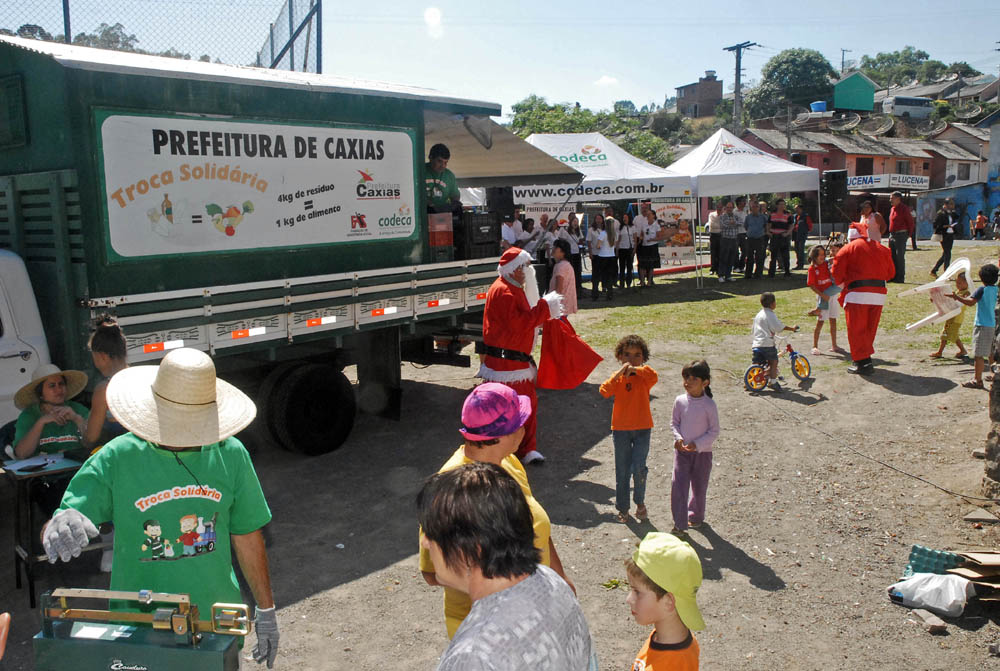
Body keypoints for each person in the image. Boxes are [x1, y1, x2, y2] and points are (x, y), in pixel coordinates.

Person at [40, 348, 279, 668]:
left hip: (213, 623)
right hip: (138, 627)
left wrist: (266, 610)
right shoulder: (116, 457)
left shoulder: (230, 453)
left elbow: (247, 534)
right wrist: (59, 523)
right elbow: (66, 517)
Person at [418, 385, 576, 639]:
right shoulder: (452, 489)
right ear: (503, 434)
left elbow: (538, 530)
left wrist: (561, 578)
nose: (525, 427)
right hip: (486, 630)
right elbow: (431, 572)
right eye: (520, 422)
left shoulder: (508, 462)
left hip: (535, 611)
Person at [419, 462, 592, 670]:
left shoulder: (472, 657)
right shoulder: (550, 580)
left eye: (432, 533)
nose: (425, 542)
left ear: (471, 549)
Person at [478, 247, 562, 465]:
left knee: (518, 406)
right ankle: (517, 450)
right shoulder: (505, 292)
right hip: (508, 365)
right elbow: (519, 324)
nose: (527, 270)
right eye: (524, 266)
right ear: (514, 269)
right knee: (520, 406)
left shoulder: (509, 288)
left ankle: (521, 449)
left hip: (510, 363)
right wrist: (545, 308)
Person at [13, 364, 90, 516]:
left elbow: (93, 443)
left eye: (61, 384)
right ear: (41, 394)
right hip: (47, 481)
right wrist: (41, 422)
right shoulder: (29, 416)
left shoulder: (78, 410)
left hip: (80, 475)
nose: (58, 389)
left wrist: (77, 419)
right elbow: (21, 454)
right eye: (52, 386)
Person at [624, 532, 704, 671]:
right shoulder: (666, 637)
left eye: (637, 592)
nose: (629, 599)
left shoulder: (669, 664)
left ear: (668, 602)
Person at [599, 335, 657, 523]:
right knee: (622, 470)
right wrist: (618, 374)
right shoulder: (617, 379)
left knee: (639, 468)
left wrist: (636, 370)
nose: (631, 360)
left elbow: (653, 376)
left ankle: (639, 501)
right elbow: (604, 391)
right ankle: (623, 508)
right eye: (627, 355)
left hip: (643, 428)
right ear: (620, 357)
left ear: (643, 358)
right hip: (621, 430)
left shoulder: (644, 377)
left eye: (637, 355)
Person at [831, 222, 895, 375]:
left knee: (856, 330)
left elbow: (836, 273)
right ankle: (865, 359)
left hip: (857, 295)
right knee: (869, 329)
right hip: (879, 294)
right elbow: (891, 273)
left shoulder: (847, 249)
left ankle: (862, 362)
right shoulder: (882, 248)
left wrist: (843, 285)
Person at [670, 360, 719, 535]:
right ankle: (679, 524)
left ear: (705, 382)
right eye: (686, 377)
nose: (688, 382)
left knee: (699, 488)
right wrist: (678, 438)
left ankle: (696, 516)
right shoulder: (680, 401)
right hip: (682, 453)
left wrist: (697, 444)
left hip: (703, 454)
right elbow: (674, 423)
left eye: (693, 379)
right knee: (678, 487)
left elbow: (714, 431)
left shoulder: (709, 405)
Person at [948, 263, 999, 389]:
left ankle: (977, 380)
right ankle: (994, 375)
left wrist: (956, 297)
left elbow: (970, 302)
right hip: (992, 324)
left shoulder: (981, 290)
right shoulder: (995, 289)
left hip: (982, 325)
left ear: (982, 277)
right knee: (990, 352)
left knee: (978, 355)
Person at [83, 314, 129, 449]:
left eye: (94, 357)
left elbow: (91, 438)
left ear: (102, 356)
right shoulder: (142, 378)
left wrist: (78, 420)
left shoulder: (104, 390)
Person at [751, 292, 799, 390]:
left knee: (757, 363)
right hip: (767, 344)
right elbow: (778, 327)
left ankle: (750, 381)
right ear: (772, 304)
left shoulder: (759, 314)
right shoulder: (770, 314)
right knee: (774, 362)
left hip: (757, 343)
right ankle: (773, 382)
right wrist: (792, 328)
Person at [806, 246, 847, 356]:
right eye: (820, 255)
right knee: (820, 322)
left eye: (824, 254)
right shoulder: (812, 269)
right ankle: (814, 346)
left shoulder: (826, 263)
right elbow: (811, 285)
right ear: (814, 256)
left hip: (832, 296)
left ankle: (834, 345)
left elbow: (835, 259)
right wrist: (822, 295)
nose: (823, 257)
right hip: (823, 297)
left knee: (833, 320)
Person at [930, 271, 969, 360]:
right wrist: (936, 299)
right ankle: (962, 350)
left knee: (946, 334)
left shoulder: (966, 293)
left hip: (956, 318)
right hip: (951, 316)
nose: (957, 285)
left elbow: (961, 301)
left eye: (960, 283)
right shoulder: (958, 292)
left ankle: (940, 352)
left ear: (967, 283)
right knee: (952, 335)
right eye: (956, 282)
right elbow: (948, 301)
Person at [425, 143, 461, 214]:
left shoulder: (449, 176)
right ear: (430, 157)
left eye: (445, 162)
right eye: (439, 161)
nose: (443, 166)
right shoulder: (419, 171)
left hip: (443, 215)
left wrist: (454, 204)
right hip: (422, 213)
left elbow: (455, 196)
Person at [588, 213, 616, 300]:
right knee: (609, 276)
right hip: (611, 256)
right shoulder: (614, 234)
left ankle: (595, 294)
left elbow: (598, 246)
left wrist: (599, 246)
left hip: (602, 256)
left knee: (597, 275)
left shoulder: (603, 234)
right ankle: (610, 293)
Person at [888, 192, 915, 283]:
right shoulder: (892, 209)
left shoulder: (904, 209)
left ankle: (900, 277)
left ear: (898, 199)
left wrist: (908, 235)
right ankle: (892, 276)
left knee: (899, 256)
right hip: (892, 235)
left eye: (892, 198)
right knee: (892, 256)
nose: (890, 200)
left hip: (901, 235)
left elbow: (910, 222)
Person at [549, 239, 577, 319]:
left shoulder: (561, 266)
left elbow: (559, 289)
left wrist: (551, 303)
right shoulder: (564, 265)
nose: (553, 248)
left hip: (560, 307)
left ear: (563, 252)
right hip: (563, 305)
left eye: (556, 247)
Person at [931, 199, 958, 277]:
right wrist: (945, 226)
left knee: (945, 254)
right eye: (951, 204)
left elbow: (956, 217)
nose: (952, 206)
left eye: (953, 204)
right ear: (946, 205)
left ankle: (934, 270)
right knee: (947, 253)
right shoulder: (940, 213)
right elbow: (935, 225)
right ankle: (947, 273)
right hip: (944, 234)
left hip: (950, 234)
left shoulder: (951, 213)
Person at [636, 209, 663, 287]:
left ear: (653, 215)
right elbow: (642, 234)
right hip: (644, 246)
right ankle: (642, 282)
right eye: (647, 214)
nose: (647, 216)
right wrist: (641, 238)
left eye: (649, 214)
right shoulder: (644, 224)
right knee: (642, 265)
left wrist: (652, 239)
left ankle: (649, 282)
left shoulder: (656, 225)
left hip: (652, 247)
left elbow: (659, 237)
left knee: (651, 265)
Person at [767, 199, 792, 277]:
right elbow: (768, 224)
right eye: (780, 204)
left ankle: (787, 272)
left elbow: (791, 225)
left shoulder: (788, 214)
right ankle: (771, 272)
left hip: (783, 236)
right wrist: (768, 232)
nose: (782, 206)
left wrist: (787, 233)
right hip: (774, 236)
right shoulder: (772, 214)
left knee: (785, 255)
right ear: (777, 205)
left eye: (783, 204)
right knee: (773, 255)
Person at [744, 201, 768, 279]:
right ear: (751, 208)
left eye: (756, 207)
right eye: (753, 207)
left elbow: (766, 226)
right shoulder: (748, 217)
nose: (755, 208)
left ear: (759, 208)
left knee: (759, 257)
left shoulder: (763, 217)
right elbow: (746, 226)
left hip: (760, 238)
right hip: (750, 239)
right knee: (749, 257)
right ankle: (748, 274)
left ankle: (758, 274)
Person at [717, 201, 740, 282]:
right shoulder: (722, 216)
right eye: (728, 207)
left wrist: (732, 223)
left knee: (731, 258)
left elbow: (740, 223)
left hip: (734, 239)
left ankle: (728, 275)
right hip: (725, 239)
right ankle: (721, 275)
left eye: (731, 207)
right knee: (723, 258)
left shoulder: (736, 216)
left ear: (733, 208)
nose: (729, 209)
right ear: (725, 208)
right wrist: (732, 223)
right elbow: (722, 226)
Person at [617, 212, 636, 289]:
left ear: (629, 218)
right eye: (623, 217)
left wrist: (634, 249)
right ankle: (622, 283)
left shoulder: (632, 227)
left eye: (626, 217)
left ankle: (628, 283)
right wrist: (617, 249)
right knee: (622, 267)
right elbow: (618, 239)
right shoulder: (620, 228)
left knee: (629, 267)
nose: (624, 219)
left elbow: (635, 239)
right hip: (622, 249)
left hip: (630, 249)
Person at [791, 204, 813, 270]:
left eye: (797, 208)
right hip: (795, 235)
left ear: (801, 209)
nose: (796, 210)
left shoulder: (805, 216)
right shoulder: (795, 216)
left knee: (800, 250)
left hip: (802, 236)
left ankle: (801, 264)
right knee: (796, 250)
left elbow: (810, 226)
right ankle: (798, 264)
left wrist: (805, 231)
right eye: (795, 209)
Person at [706, 200, 723, 275]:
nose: (719, 209)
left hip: (721, 235)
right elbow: (711, 225)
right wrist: (719, 225)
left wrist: (718, 225)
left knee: (720, 252)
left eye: (720, 207)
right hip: (713, 235)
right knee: (713, 252)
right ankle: (712, 268)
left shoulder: (724, 215)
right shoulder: (711, 214)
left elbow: (724, 225)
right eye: (718, 207)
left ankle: (718, 268)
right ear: (716, 207)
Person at [734, 196, 749, 273]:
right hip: (736, 233)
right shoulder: (734, 212)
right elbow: (733, 222)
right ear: (739, 203)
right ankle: (736, 267)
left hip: (744, 233)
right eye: (743, 201)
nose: (745, 203)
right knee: (735, 251)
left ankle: (742, 266)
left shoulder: (745, 211)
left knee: (745, 251)